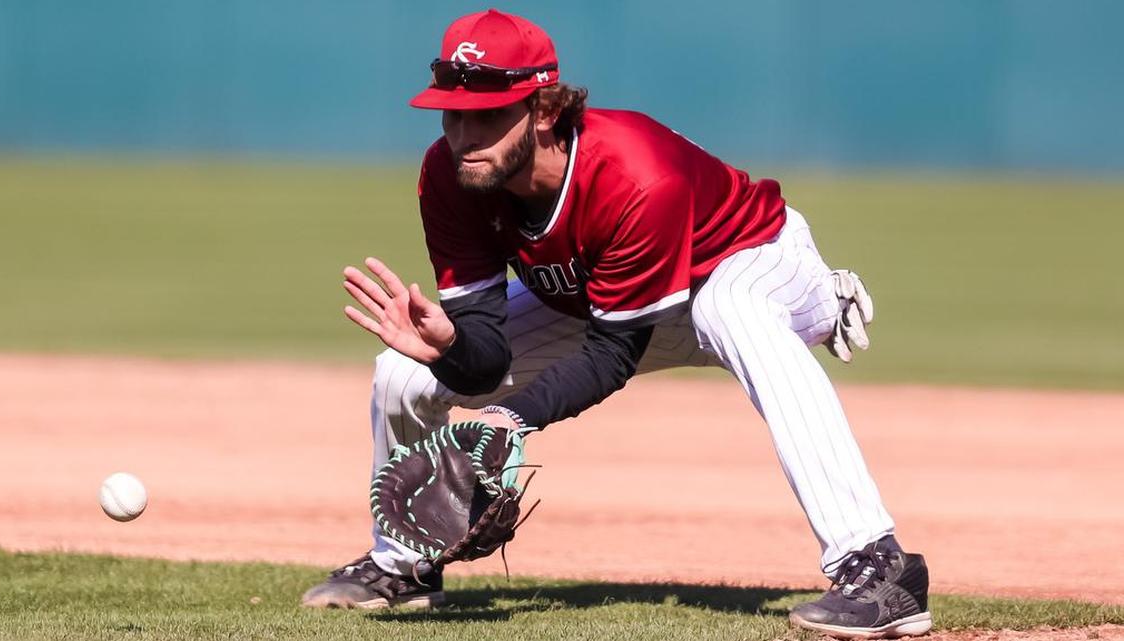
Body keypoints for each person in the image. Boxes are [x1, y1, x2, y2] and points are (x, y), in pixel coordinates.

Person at [302, 8, 932, 639]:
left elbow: (612, 356)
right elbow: (487, 360)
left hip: (750, 265)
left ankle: (877, 565)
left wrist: (509, 420)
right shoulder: (452, 175)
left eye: (488, 114)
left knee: (729, 309)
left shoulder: (634, 173)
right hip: (609, 303)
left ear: (544, 110)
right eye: (452, 112)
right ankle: (404, 564)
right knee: (403, 372)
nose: (465, 134)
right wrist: (449, 349)